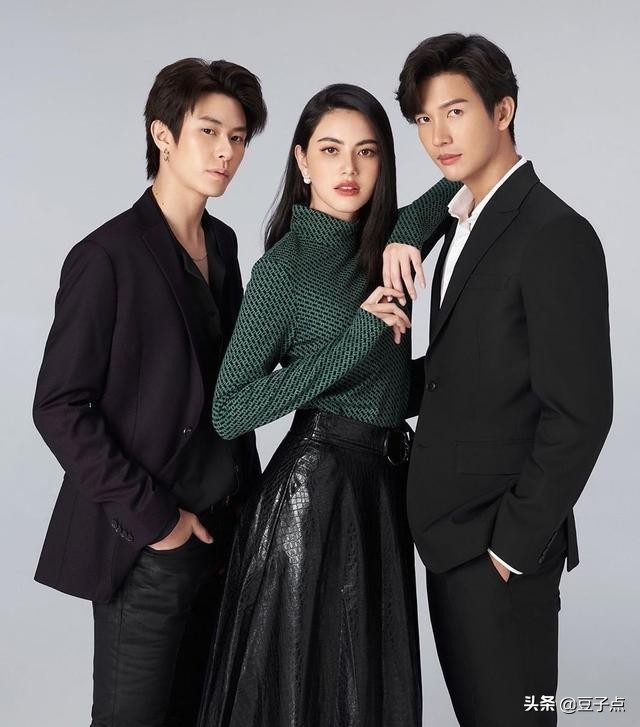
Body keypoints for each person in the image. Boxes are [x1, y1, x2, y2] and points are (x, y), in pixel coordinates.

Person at [196, 84, 458, 727]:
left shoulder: (383, 249)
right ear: (302, 160)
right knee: (309, 699)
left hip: (380, 493)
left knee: (367, 695)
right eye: (331, 150)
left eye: (367, 152)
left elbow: (461, 185)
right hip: (311, 502)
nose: (349, 169)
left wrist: (403, 236)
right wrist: (357, 337)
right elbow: (229, 410)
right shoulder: (283, 269)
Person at [383, 33, 613, 726]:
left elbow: (581, 412)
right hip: (447, 543)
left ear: (503, 110)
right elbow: (463, 371)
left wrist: (511, 547)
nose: (438, 136)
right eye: (424, 119)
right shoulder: (459, 223)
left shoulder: (554, 232)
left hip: (498, 550)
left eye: (455, 112)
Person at [32, 57, 266, 727]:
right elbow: (58, 406)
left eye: (239, 137)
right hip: (146, 544)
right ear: (163, 135)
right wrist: (157, 521)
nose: (226, 152)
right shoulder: (106, 256)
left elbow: (227, 387)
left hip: (221, 535)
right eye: (208, 131)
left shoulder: (222, 244)